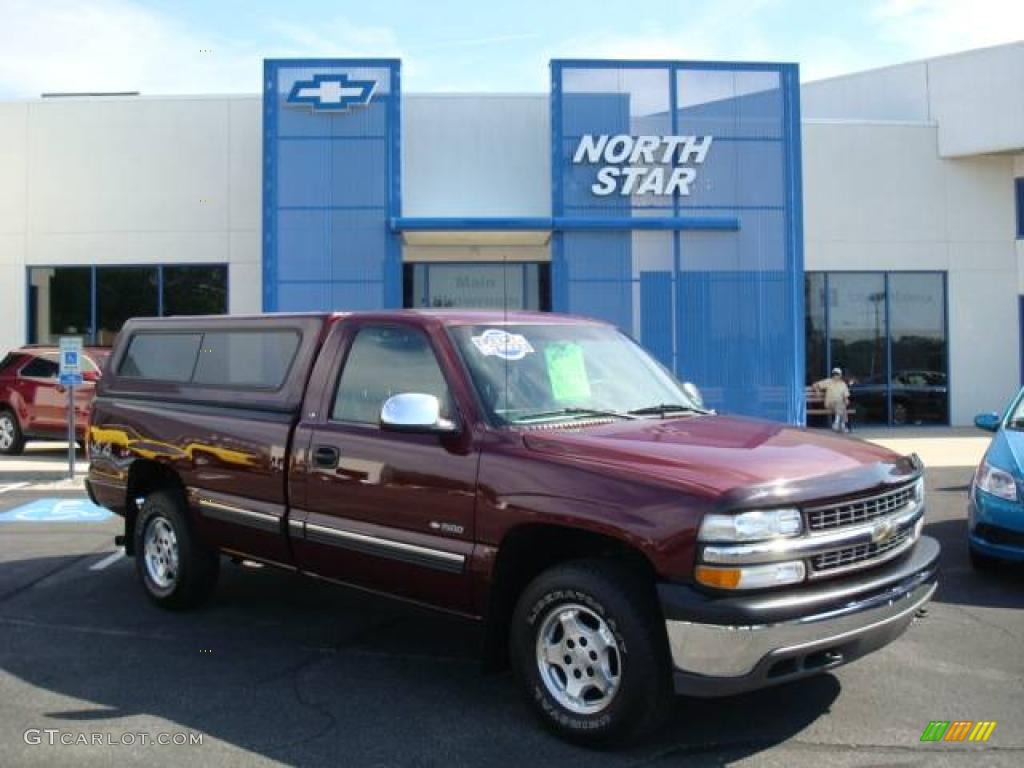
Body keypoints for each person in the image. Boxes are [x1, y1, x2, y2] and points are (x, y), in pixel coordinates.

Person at [814, 367, 851, 432]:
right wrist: (817, 391)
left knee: (842, 405)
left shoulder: (843, 384)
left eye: (837, 374)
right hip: (830, 403)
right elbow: (815, 385)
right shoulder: (828, 381)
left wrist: (846, 400)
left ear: (840, 375)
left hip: (839, 404)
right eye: (834, 374)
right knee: (841, 405)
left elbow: (846, 396)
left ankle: (838, 424)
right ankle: (842, 425)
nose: (835, 375)